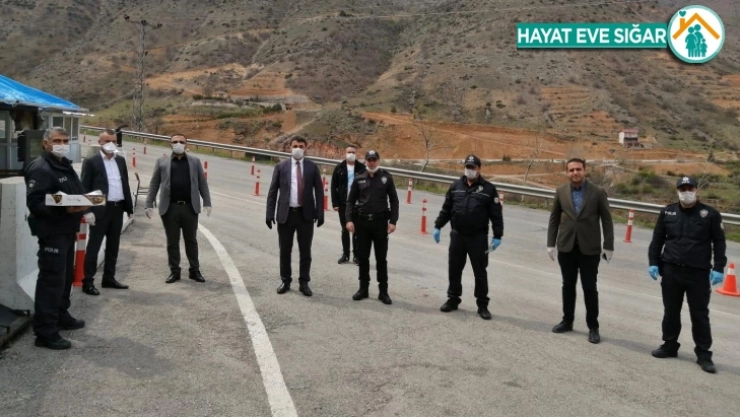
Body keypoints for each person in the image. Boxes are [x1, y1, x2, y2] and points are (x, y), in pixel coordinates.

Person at [647, 176, 727, 374]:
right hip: (671, 270)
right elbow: (657, 239)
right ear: (677, 191)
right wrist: (653, 262)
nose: (686, 192)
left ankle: (704, 353)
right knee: (671, 311)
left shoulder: (710, 214)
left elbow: (719, 242)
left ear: (696, 190)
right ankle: (670, 345)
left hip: (698, 273)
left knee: (699, 314)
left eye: (690, 188)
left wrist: (719, 267)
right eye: (683, 189)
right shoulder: (668, 212)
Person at [24, 127, 88, 350]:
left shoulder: (63, 164)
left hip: (66, 229)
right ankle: (45, 332)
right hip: (52, 232)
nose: (61, 144)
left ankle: (61, 315)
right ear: (45, 143)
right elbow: (35, 203)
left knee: (65, 276)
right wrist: (65, 208)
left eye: (64, 140)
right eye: (56, 140)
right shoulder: (41, 168)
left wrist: (83, 203)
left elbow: (73, 191)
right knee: (51, 280)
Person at [547, 158, 614, 344]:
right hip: (566, 246)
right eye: (571, 170)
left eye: (578, 169)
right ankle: (567, 321)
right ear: (567, 172)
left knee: (589, 288)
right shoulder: (561, 191)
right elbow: (554, 218)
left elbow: (607, 220)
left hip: (589, 249)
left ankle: (593, 327)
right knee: (568, 285)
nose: (575, 173)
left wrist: (608, 245)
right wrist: (551, 243)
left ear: (584, 170)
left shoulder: (597, 192)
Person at [432, 154, 503, 320]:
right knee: (454, 269)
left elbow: (496, 215)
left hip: (478, 238)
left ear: (479, 168)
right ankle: (453, 299)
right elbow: (447, 209)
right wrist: (438, 226)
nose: (469, 170)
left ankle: (482, 305)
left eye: (473, 167)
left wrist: (497, 235)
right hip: (458, 235)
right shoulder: (456, 186)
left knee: (480, 272)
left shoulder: (488, 189)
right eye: (467, 167)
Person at [145, 134, 212, 284]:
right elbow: (154, 183)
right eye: (175, 142)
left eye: (181, 142)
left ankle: (194, 270)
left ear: (186, 144)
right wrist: (148, 203)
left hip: (189, 208)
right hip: (170, 208)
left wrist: (207, 202)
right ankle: (174, 271)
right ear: (170, 144)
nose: (178, 144)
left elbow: (202, 183)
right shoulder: (162, 162)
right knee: (172, 241)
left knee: (191, 240)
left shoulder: (195, 162)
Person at [266, 135, 324, 297]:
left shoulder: (312, 167)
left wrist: (320, 213)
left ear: (306, 148)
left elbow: (319, 192)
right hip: (286, 215)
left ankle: (304, 282)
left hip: (305, 216)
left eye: (301, 146)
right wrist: (269, 213)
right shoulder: (281, 167)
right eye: (295, 146)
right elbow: (273, 192)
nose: (298, 149)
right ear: (290, 148)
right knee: (285, 250)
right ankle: (285, 280)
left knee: (305, 251)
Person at [79, 129, 134, 295]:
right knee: (94, 247)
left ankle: (109, 278)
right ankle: (88, 281)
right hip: (100, 210)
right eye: (107, 141)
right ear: (100, 142)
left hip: (118, 209)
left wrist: (129, 208)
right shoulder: (91, 161)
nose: (111, 144)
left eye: (113, 141)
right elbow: (84, 187)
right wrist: (87, 210)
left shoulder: (120, 160)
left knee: (113, 246)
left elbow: (124, 183)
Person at [345, 150, 399, 304]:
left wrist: (393, 221)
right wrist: (349, 220)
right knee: (363, 258)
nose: (372, 162)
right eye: (369, 159)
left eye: (374, 159)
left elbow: (394, 200)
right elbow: (350, 201)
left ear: (378, 161)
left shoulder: (386, 178)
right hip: (362, 223)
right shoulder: (359, 177)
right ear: (365, 161)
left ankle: (383, 292)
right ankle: (363, 289)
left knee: (381, 259)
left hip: (380, 223)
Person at [330, 146, 366, 264]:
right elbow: (333, 186)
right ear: (345, 153)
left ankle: (357, 255)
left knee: (357, 230)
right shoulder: (339, 168)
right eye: (349, 152)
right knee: (345, 230)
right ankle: (345, 254)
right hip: (343, 204)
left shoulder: (362, 168)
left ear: (356, 154)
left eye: (353, 152)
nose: (351, 154)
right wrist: (335, 203)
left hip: (358, 204)